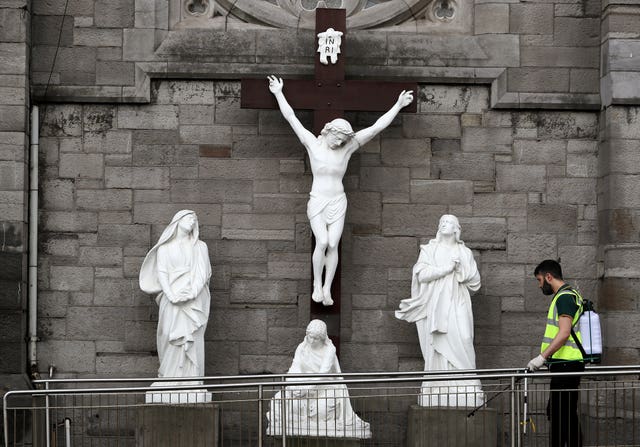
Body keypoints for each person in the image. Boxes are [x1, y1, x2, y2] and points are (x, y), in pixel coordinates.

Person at [268, 75, 414, 306]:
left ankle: (327, 289)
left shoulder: (347, 150)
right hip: (318, 200)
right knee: (323, 241)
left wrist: (397, 105)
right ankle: (317, 283)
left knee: (334, 244)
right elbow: (291, 117)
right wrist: (278, 92)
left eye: (344, 140)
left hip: (338, 200)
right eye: (338, 138)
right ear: (329, 132)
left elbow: (375, 128)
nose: (340, 143)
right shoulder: (312, 144)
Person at [395, 214, 483, 407]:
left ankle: (467, 383)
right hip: (436, 305)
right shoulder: (429, 249)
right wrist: (447, 268)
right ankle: (438, 385)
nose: (444, 224)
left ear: (456, 229)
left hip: (458, 300)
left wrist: (460, 270)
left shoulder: (465, 252)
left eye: (449, 222)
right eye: (441, 222)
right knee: (438, 343)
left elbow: (475, 282)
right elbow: (422, 275)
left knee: (465, 337)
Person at [266, 320, 371, 438]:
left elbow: (323, 373)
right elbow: (294, 368)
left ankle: (303, 418)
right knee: (279, 399)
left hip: (324, 387)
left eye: (315, 338)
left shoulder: (329, 349)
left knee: (322, 409)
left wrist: (307, 389)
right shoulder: (302, 347)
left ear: (322, 338)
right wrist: (292, 385)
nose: (311, 341)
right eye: (310, 337)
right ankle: (290, 419)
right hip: (303, 384)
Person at [139, 210, 212, 380]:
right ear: (177, 221)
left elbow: (203, 273)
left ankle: (192, 379)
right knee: (168, 335)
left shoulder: (200, 247)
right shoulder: (164, 249)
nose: (192, 222)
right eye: (189, 219)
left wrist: (192, 293)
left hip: (193, 301)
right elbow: (162, 274)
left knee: (192, 337)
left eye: (195, 220)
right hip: (171, 299)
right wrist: (171, 295)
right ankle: (168, 378)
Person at [528, 259, 584, 447]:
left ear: (549, 277)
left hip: (566, 364)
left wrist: (542, 357)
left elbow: (564, 332)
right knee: (561, 414)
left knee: (562, 416)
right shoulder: (568, 295)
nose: (539, 285)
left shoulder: (564, 297)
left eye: (539, 280)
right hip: (565, 364)